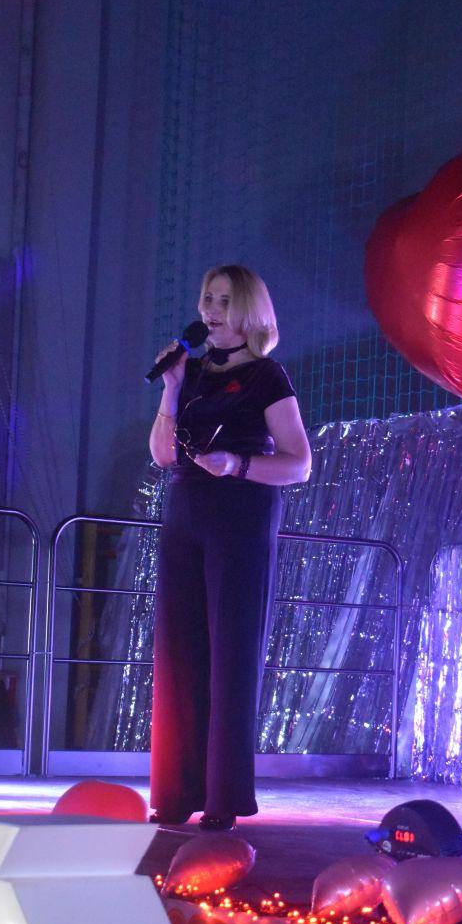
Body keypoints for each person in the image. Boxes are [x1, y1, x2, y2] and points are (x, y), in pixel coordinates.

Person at [148, 264, 312, 831]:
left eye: (223, 301)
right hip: (186, 511)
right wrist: (172, 388)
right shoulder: (190, 372)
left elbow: (299, 463)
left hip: (240, 513)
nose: (210, 311)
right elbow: (162, 455)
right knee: (178, 650)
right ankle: (175, 792)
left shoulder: (267, 376)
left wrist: (237, 465)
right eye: (206, 299)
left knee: (230, 654)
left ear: (248, 311)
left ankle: (222, 797)